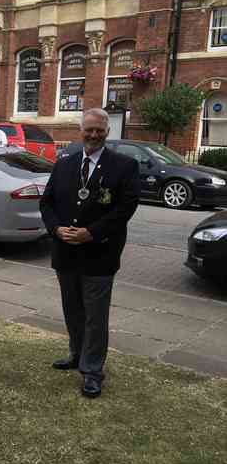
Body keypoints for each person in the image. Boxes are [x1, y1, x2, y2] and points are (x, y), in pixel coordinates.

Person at [39, 108, 140, 398]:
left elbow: (125, 209)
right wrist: (56, 229)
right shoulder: (64, 164)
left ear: (107, 132)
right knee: (73, 310)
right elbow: (47, 203)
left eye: (99, 130)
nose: (93, 135)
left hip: (100, 253)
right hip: (65, 252)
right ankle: (77, 354)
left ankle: (92, 370)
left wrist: (92, 232)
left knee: (95, 316)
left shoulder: (124, 166)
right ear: (80, 130)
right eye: (89, 130)